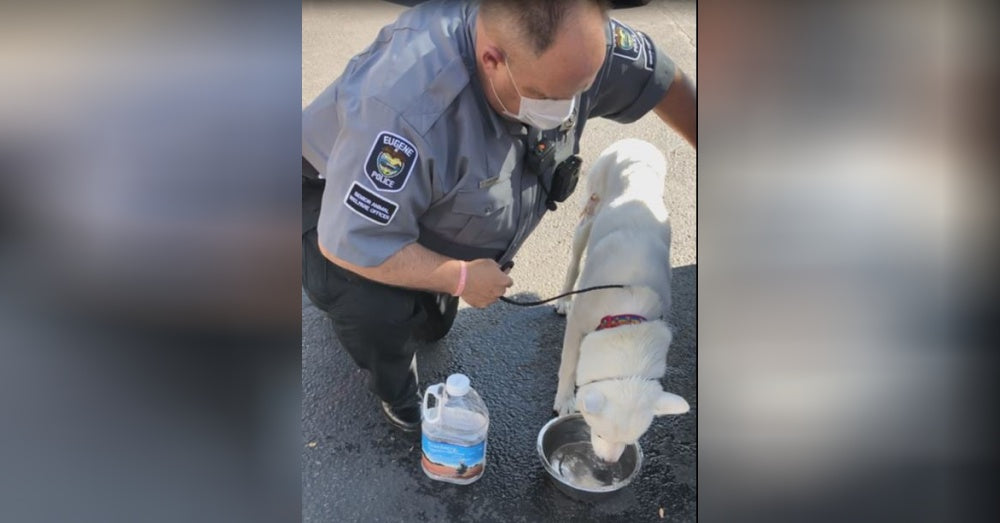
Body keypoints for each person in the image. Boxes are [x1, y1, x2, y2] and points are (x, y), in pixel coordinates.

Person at [302, 0, 696, 432]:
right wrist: (461, 278)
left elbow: (665, 82)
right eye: (550, 95)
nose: (566, 110)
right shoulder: (405, 112)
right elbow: (352, 240)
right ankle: (398, 394)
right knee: (376, 307)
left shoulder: (575, 41)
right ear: (492, 58)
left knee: (435, 324)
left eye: (581, 89)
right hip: (334, 203)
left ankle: (430, 277)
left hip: (430, 204)